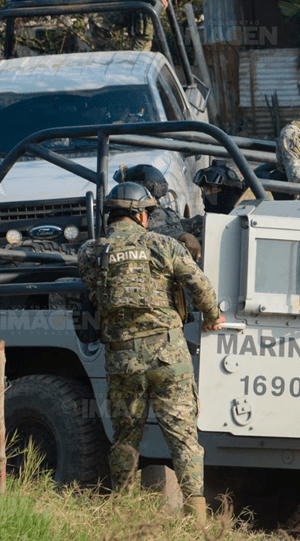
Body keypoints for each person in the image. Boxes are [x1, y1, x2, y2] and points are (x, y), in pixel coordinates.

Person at [77, 182, 225, 523]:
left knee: (126, 438)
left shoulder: (90, 252)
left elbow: (94, 285)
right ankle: (197, 519)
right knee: (184, 439)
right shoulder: (163, 245)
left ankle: (125, 514)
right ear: (141, 215)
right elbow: (199, 285)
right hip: (168, 356)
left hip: (122, 359)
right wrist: (214, 317)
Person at [114, 164, 203, 261]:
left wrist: (196, 229)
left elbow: (165, 228)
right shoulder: (132, 214)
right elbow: (152, 234)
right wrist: (184, 236)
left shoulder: (154, 213)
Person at [87, 0, 176, 51]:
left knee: (139, 51)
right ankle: (107, 63)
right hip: (125, 2)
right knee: (97, 23)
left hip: (146, 4)